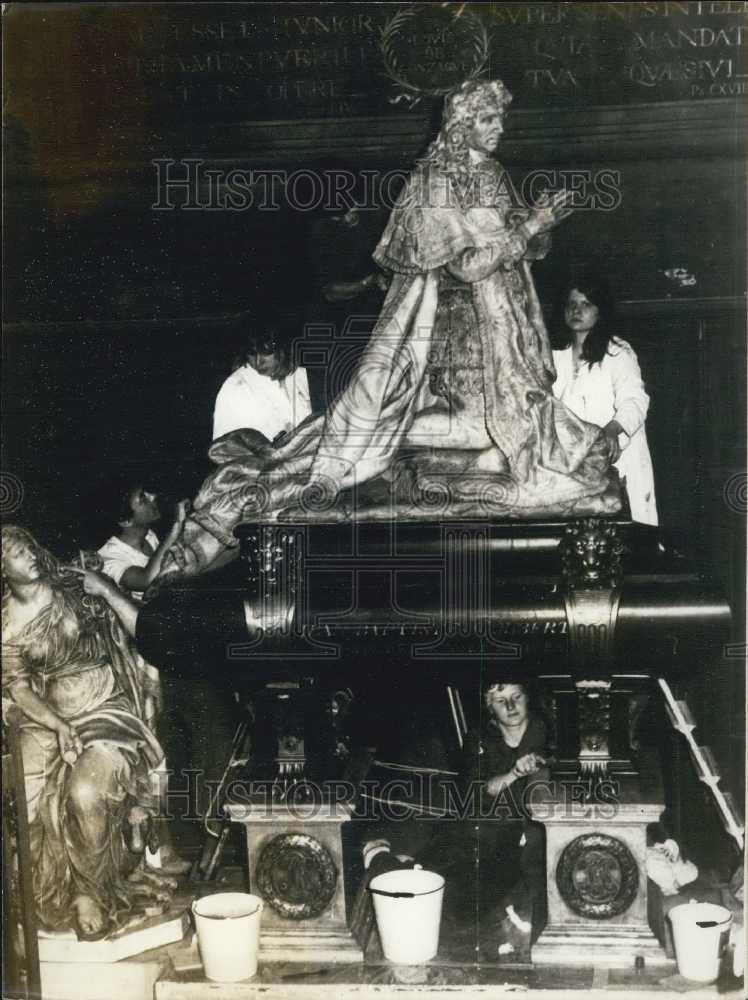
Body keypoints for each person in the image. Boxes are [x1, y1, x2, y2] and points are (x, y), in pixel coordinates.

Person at [159, 78, 620, 579]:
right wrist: (529, 227)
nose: (499, 129)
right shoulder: (434, 184)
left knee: (494, 440)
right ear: (462, 125)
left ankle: (375, 444)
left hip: (503, 332)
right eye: (489, 120)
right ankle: (348, 446)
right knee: (478, 429)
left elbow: (510, 242)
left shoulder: (490, 174)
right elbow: (466, 263)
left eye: (501, 119)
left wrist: (539, 225)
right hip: (464, 336)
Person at [1, 525, 170, 941]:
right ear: (2, 570)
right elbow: (19, 687)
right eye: (18, 555)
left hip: (107, 708)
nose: (32, 556)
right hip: (50, 714)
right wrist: (57, 726)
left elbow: (143, 629)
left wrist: (108, 590)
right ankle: (43, 890)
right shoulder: (5, 624)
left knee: (85, 793)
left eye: (30, 547)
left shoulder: (75, 582)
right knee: (24, 795)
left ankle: (89, 890)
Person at [552, 273, 658, 525]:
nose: (576, 310)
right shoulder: (554, 354)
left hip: (617, 461)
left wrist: (612, 430)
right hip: (572, 465)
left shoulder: (617, 352)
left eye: (586, 304)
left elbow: (635, 400)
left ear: (601, 311)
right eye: (571, 304)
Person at [212, 327, 312, 444]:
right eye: (252, 353)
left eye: (266, 352)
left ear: (283, 349)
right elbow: (225, 451)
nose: (259, 362)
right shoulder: (234, 388)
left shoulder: (303, 375)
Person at [98, 486, 190, 601]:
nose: (153, 496)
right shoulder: (108, 559)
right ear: (126, 521)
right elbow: (146, 580)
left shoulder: (149, 534)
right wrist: (176, 527)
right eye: (143, 499)